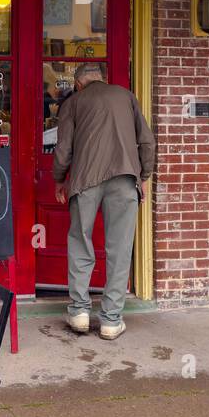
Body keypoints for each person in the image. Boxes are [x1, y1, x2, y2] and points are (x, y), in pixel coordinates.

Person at [52, 63, 156, 340]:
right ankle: (111, 320)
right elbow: (147, 141)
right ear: (102, 79)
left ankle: (79, 313)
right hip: (124, 179)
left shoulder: (73, 103)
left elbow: (63, 149)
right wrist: (144, 175)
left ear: (78, 84)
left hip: (85, 180)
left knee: (80, 243)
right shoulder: (126, 96)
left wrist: (59, 179)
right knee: (120, 249)